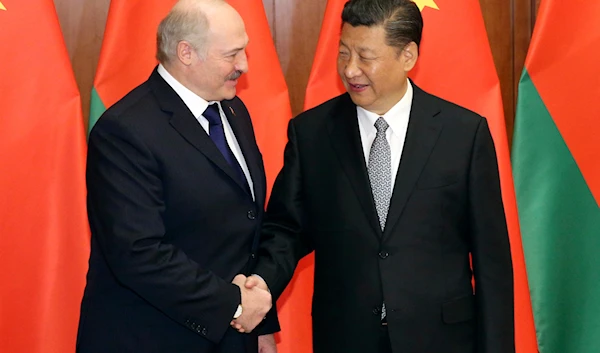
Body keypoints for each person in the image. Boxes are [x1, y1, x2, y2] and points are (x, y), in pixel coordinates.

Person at [238, 0, 514, 352]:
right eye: (343, 53)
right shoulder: (312, 134)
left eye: (365, 56)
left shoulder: (463, 134)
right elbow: (287, 231)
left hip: (441, 339)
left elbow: (492, 261)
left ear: (408, 56)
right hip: (346, 337)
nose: (350, 70)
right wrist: (261, 285)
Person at [76, 0, 278, 352]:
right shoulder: (125, 131)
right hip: (153, 336)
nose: (243, 66)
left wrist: (260, 323)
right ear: (186, 52)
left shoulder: (232, 110)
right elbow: (138, 252)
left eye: (244, 51)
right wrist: (235, 304)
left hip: (232, 335)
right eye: (232, 55)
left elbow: (248, 224)